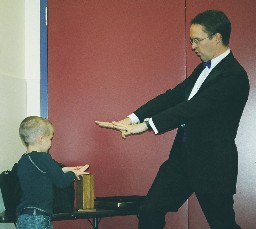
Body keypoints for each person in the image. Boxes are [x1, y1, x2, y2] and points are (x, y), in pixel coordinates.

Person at [95, 10, 250, 229]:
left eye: (197, 40)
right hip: (182, 159)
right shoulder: (202, 69)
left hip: (212, 164)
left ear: (217, 37)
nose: (193, 46)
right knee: (150, 211)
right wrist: (132, 118)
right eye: (191, 41)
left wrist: (147, 126)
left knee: (222, 223)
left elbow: (192, 108)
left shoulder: (234, 76)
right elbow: (173, 96)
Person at [16, 116, 89, 229]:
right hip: (38, 217)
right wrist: (73, 174)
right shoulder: (43, 157)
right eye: (50, 138)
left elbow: (46, 173)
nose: (51, 142)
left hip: (25, 215)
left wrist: (68, 169)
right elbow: (61, 181)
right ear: (41, 139)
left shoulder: (25, 160)